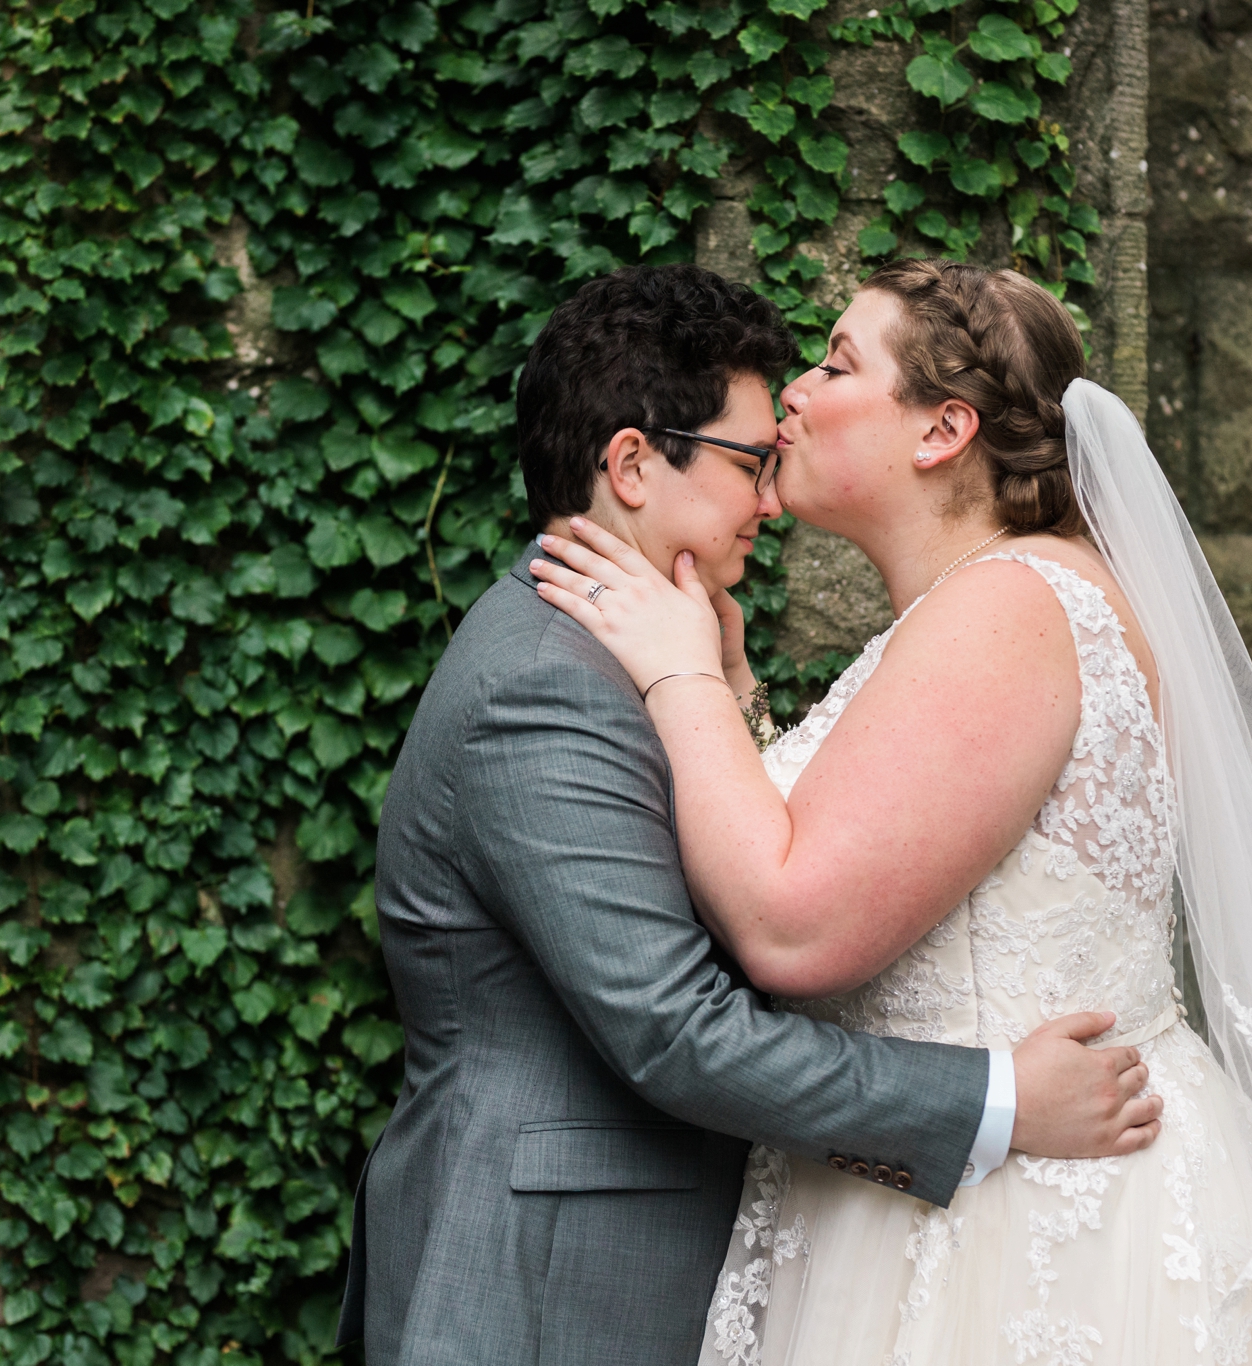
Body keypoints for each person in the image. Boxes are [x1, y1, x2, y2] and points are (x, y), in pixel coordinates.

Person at [531, 259, 1252, 1365]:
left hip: (1017, 1237)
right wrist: (733, 696)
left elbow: (793, 926)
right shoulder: (989, 600)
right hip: (936, 1183)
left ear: (940, 431)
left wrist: (675, 677)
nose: (791, 393)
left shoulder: (1006, 611)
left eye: (835, 364)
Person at [336, 264, 1166, 1366]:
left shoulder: (636, 649)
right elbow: (678, 1027)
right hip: (542, 1284)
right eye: (745, 463)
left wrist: (717, 694)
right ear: (633, 464)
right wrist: (998, 1098)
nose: (768, 499)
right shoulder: (542, 681)